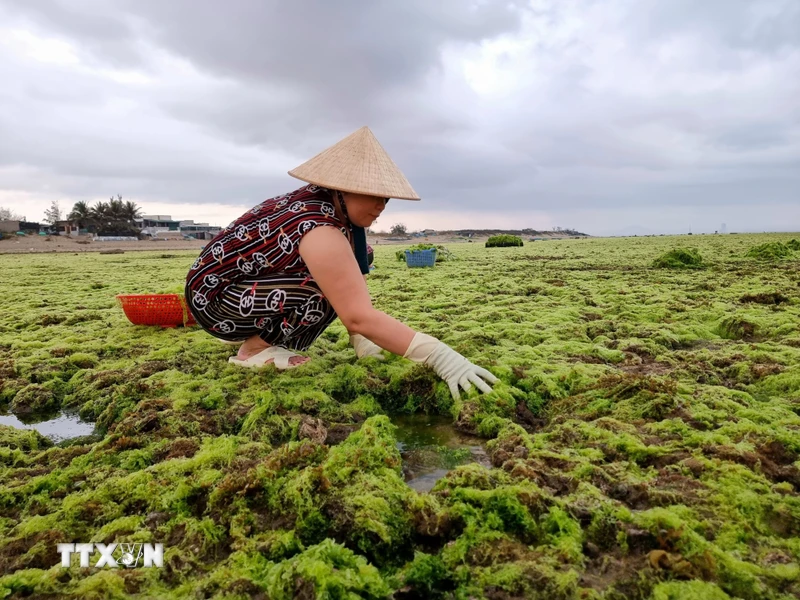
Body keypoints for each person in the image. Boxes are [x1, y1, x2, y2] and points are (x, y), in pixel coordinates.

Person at [185, 126, 497, 401]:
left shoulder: (340, 213)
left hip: (243, 288)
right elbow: (358, 314)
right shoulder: (318, 225)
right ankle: (252, 350)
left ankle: (263, 338)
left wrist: (359, 339)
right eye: (373, 195)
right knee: (324, 290)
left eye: (386, 199)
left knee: (348, 270)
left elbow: (354, 277)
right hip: (215, 300)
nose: (380, 206)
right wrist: (441, 357)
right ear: (342, 188)